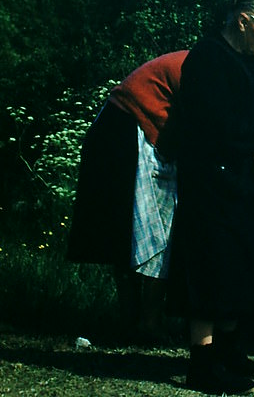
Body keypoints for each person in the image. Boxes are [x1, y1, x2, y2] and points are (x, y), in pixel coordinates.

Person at [170, 0, 254, 395]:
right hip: (212, 183)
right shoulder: (206, 59)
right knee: (211, 268)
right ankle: (202, 363)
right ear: (242, 22)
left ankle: (229, 350)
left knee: (244, 264)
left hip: (248, 182)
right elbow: (215, 126)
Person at [67, 49, 187, 339]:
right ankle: (144, 322)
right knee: (152, 230)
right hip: (127, 132)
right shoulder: (202, 67)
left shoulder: (198, 63)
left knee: (136, 232)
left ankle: (138, 320)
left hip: (119, 128)